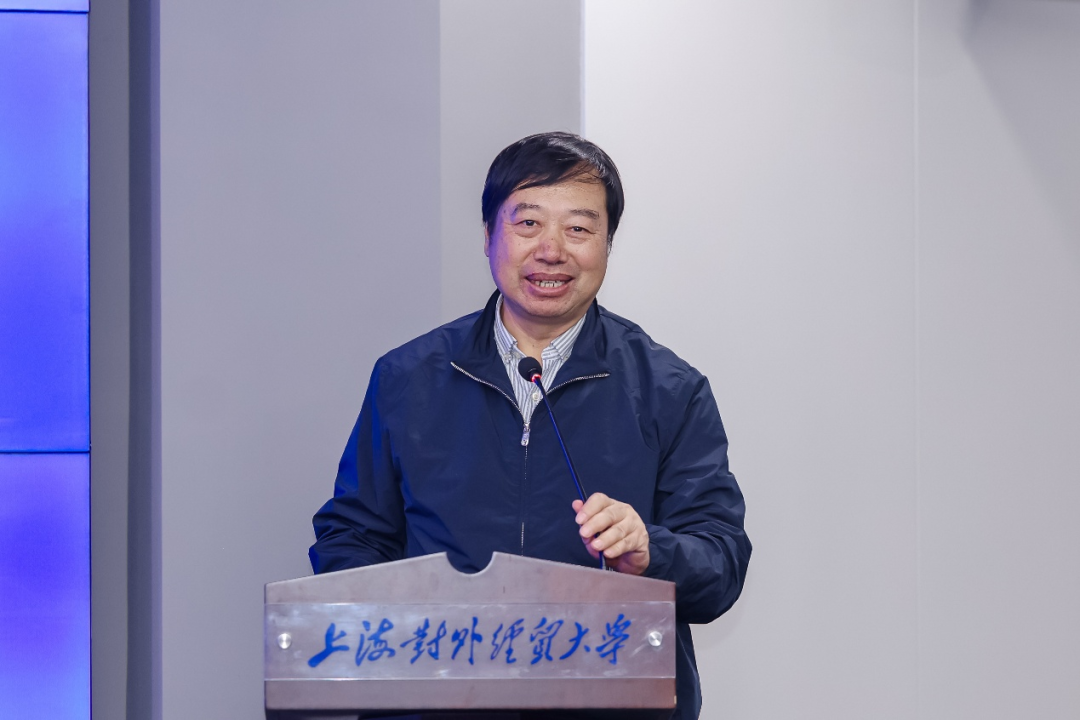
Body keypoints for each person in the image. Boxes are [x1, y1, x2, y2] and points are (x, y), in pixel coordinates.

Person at [310, 131, 751, 719]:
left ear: (608, 244)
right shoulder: (408, 377)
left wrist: (651, 550)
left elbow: (720, 563)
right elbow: (352, 536)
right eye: (528, 224)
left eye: (579, 228)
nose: (551, 250)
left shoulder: (670, 390)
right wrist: (406, 616)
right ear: (488, 235)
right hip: (436, 704)